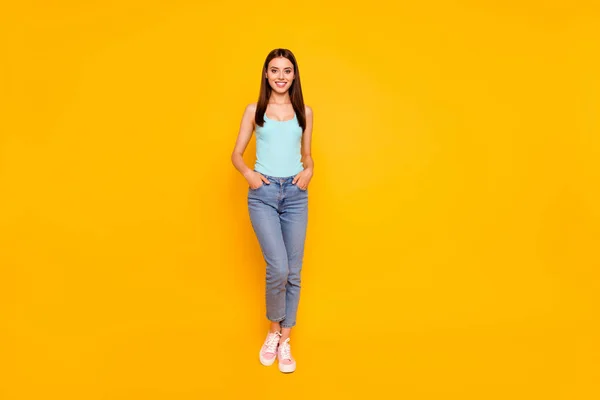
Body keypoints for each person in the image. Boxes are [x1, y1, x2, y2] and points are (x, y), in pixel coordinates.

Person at [230, 48, 314, 373]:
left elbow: (307, 155)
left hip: (295, 194)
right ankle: (273, 331)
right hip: (263, 194)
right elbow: (236, 154)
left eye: (287, 71)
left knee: (293, 271)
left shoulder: (304, 111)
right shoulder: (255, 110)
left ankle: (286, 339)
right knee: (277, 267)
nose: (281, 76)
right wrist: (250, 175)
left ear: (294, 75)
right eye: (275, 70)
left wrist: (309, 171)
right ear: (266, 74)